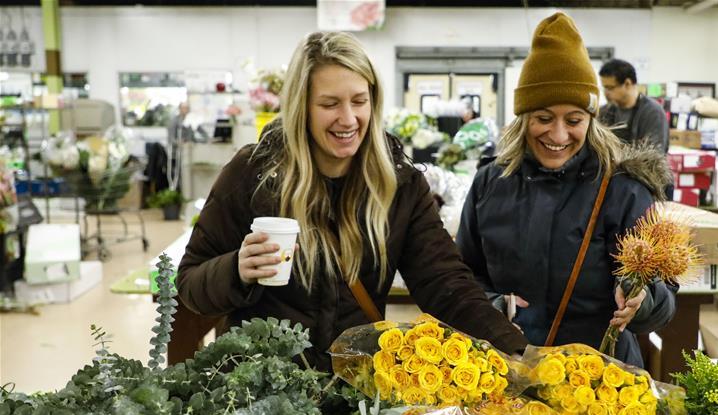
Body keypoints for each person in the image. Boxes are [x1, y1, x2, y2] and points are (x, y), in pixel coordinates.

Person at [177, 31, 528, 371]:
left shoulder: (398, 185)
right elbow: (190, 284)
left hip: (351, 394)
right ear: (302, 107)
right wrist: (236, 270)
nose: (348, 119)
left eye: (359, 101)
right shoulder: (252, 176)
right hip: (258, 395)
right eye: (330, 104)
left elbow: (444, 282)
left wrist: (510, 344)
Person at [456, 12, 675, 368]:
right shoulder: (490, 183)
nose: (558, 136)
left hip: (599, 380)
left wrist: (643, 301)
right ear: (523, 118)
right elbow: (462, 276)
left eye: (573, 121)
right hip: (506, 372)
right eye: (543, 118)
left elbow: (664, 298)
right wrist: (493, 307)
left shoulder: (624, 191)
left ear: (592, 120)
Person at [599, 59, 668, 152]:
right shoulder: (604, 112)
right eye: (604, 87)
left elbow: (654, 155)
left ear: (627, 84)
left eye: (610, 88)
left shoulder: (653, 113)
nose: (606, 93)